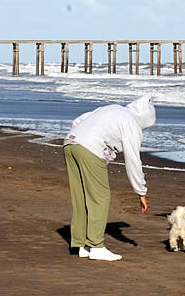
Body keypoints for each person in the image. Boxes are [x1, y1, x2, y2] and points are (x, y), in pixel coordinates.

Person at [63, 95, 156, 261]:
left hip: (70, 142)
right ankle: (96, 247)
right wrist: (141, 191)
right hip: (90, 149)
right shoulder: (132, 125)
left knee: (82, 196)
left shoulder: (112, 108)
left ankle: (80, 244)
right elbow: (133, 160)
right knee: (100, 198)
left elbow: (79, 120)